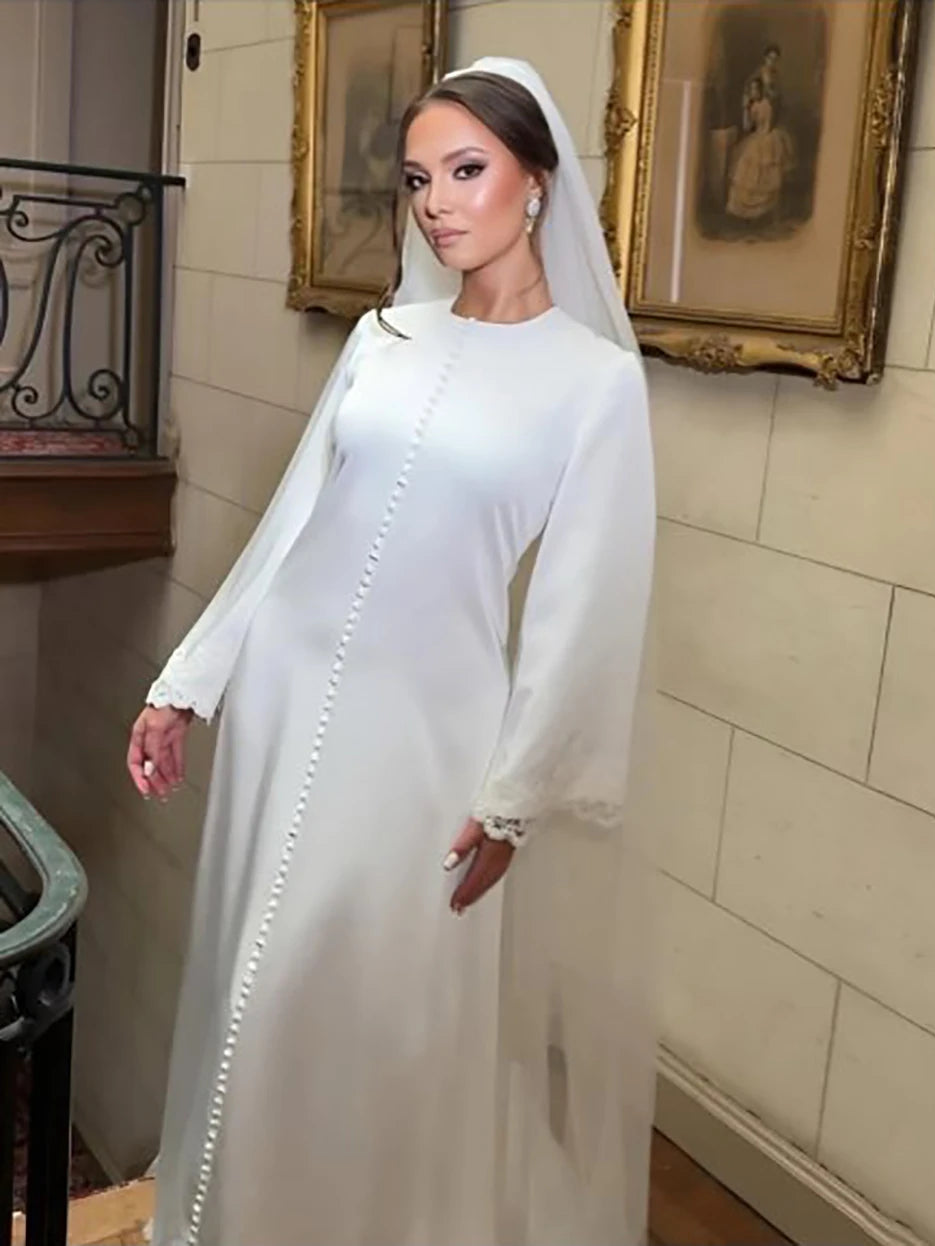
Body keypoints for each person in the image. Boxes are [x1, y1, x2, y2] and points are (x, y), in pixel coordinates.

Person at [126, 55, 658, 1246]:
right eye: (419, 177)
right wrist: (187, 684)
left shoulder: (595, 387)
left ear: (536, 180)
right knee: (249, 988)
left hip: (425, 746)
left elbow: (583, 611)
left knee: (367, 1005)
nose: (437, 201)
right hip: (279, 706)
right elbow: (291, 528)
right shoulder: (384, 336)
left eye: (466, 169)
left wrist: (516, 800)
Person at [726, 74, 795, 221]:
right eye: (751, 90)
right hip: (756, 136)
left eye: (756, 89)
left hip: (766, 137)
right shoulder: (754, 105)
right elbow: (747, 127)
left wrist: (759, 136)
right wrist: (745, 108)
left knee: (762, 170)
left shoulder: (765, 104)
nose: (753, 92)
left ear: (761, 90)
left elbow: (766, 127)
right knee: (745, 170)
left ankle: (763, 211)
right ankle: (745, 213)